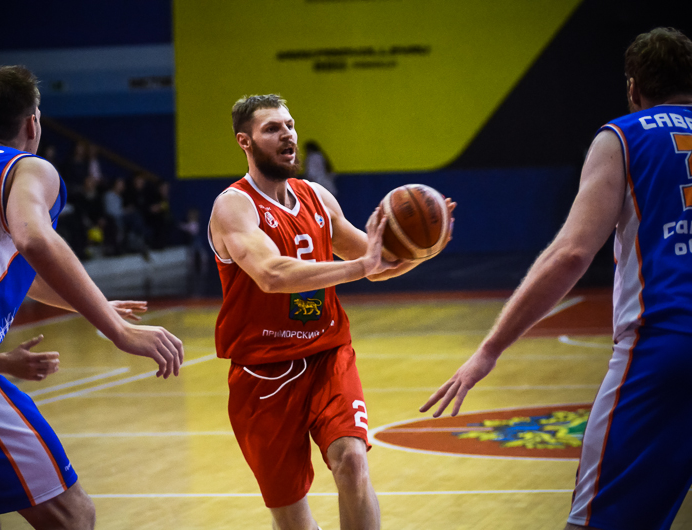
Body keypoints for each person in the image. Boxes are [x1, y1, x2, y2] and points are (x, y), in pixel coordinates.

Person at [422, 27, 692, 530]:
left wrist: (490, 349)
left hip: (666, 346)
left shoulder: (624, 136)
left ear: (633, 88)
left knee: (596, 520)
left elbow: (570, 254)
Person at [0, 65, 183, 530]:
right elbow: (34, 240)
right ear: (33, 123)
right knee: (72, 515)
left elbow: (7, 266)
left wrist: (93, 304)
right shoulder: (25, 166)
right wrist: (118, 330)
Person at [208, 94, 454, 530]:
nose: (287, 135)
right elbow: (271, 274)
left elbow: (379, 265)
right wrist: (362, 266)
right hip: (262, 371)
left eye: (289, 125)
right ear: (245, 142)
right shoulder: (234, 206)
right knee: (291, 517)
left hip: (327, 355)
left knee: (352, 461)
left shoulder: (317, 197)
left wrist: (424, 249)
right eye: (272, 129)